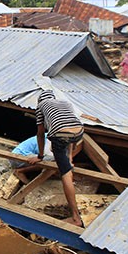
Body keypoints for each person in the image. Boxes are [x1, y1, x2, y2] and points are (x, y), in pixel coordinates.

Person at [28, 90, 84, 227]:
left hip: (59, 133)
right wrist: (70, 156)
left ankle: (76, 217)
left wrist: (40, 156)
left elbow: (40, 133)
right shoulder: (65, 103)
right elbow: (69, 130)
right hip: (79, 131)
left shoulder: (41, 105)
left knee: (65, 174)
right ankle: (68, 160)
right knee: (61, 141)